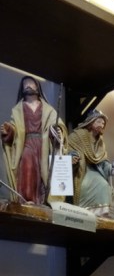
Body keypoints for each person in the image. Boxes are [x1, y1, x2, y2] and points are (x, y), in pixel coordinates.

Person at [1, 76, 67, 205]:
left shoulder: (47, 109)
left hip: (43, 145)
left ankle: (42, 201)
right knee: (27, 164)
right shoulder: (18, 109)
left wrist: (57, 130)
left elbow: (56, 124)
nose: (28, 86)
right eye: (25, 84)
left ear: (37, 87)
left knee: (44, 171)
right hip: (26, 143)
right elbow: (15, 127)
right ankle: (27, 199)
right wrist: (9, 130)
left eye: (31, 83)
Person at [69, 110, 114, 216]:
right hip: (80, 170)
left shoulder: (100, 142)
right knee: (98, 184)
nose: (101, 125)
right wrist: (72, 157)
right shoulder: (78, 136)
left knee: (104, 184)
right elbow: (68, 149)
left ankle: (99, 213)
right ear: (91, 122)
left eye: (103, 123)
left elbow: (102, 161)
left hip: (94, 170)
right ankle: (86, 210)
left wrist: (111, 168)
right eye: (99, 122)